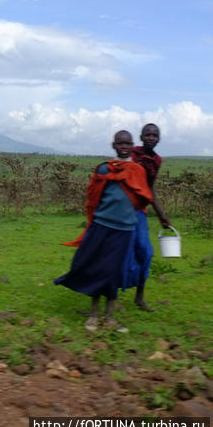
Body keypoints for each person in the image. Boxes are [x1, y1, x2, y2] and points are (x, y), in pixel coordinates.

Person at [55, 130, 152, 332]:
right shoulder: (103, 169)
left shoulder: (137, 171)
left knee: (114, 271)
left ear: (132, 145)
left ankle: (108, 318)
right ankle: (93, 315)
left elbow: (142, 198)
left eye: (127, 143)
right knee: (96, 267)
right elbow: (93, 198)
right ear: (113, 145)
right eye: (120, 143)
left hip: (125, 229)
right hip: (102, 226)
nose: (124, 147)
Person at [124, 123, 172, 310]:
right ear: (141, 137)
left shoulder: (156, 160)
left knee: (145, 252)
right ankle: (111, 296)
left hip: (140, 212)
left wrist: (162, 215)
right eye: (148, 135)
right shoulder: (131, 153)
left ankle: (139, 297)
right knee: (119, 252)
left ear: (158, 139)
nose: (151, 138)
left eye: (155, 135)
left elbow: (149, 188)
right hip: (121, 210)